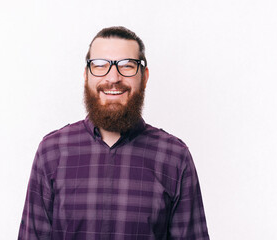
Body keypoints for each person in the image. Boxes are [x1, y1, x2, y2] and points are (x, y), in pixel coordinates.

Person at [18, 26, 209, 240]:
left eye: (127, 66)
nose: (113, 77)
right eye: (100, 65)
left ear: (144, 77)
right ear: (86, 75)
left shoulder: (174, 157)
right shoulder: (52, 152)